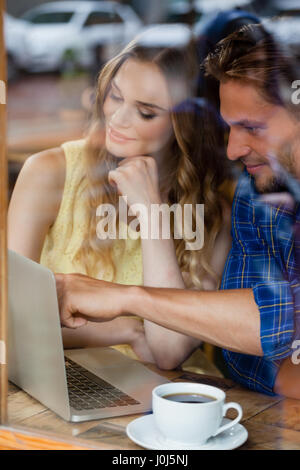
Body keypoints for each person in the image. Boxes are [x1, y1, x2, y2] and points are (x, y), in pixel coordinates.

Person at [55, 24, 300, 399]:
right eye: (229, 127)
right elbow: (269, 316)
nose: (233, 149)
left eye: (252, 127)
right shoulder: (255, 192)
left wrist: (128, 298)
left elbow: (278, 322)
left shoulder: (220, 199)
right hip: (246, 404)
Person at [8, 39, 232, 371]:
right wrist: (127, 330)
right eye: (115, 96)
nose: (118, 118)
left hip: (167, 394)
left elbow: (168, 351)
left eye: (146, 112)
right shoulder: (50, 173)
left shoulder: (210, 210)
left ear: (184, 125)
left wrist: (151, 212)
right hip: (62, 376)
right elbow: (11, 322)